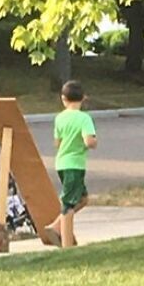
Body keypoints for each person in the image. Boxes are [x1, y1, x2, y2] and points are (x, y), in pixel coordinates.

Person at [44, 81, 97, 247]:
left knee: (82, 198)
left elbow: (57, 143)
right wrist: (93, 141)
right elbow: (89, 141)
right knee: (68, 205)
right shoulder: (84, 118)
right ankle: (67, 245)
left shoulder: (59, 118)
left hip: (62, 162)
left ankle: (55, 226)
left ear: (63, 99)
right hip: (75, 164)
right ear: (83, 98)